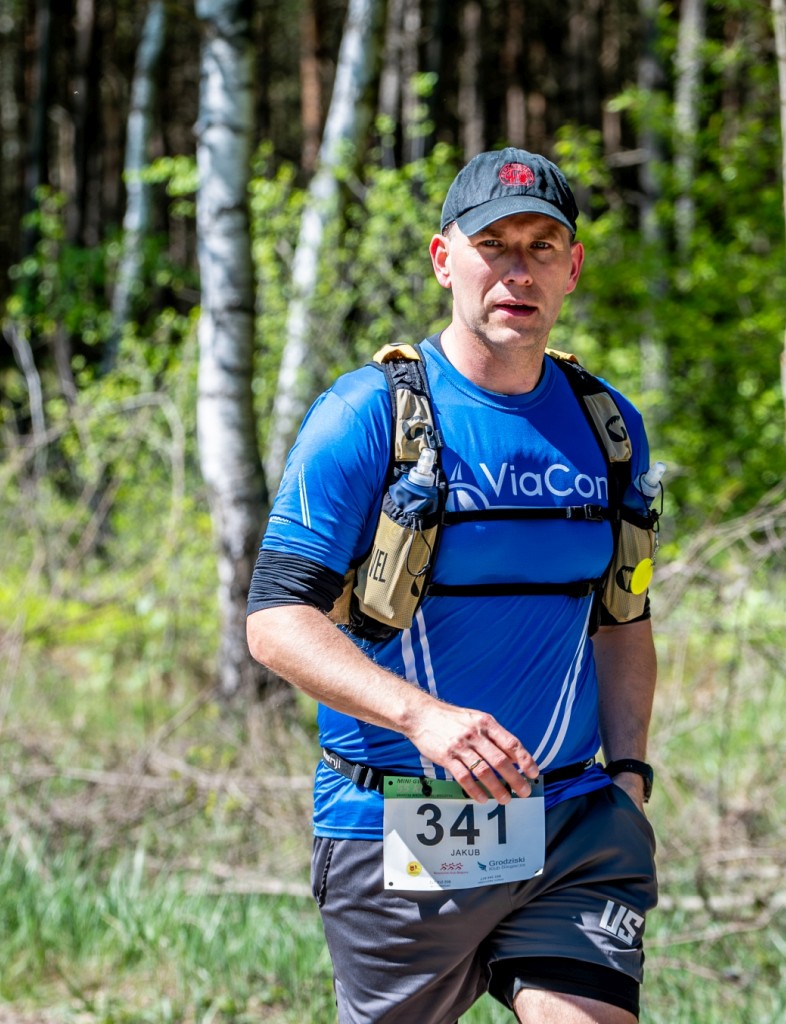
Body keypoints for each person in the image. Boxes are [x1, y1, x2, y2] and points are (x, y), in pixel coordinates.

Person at [246, 147, 660, 1024]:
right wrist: (422, 719)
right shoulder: (367, 415)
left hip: (570, 819)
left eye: (543, 247)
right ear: (444, 260)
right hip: (405, 819)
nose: (519, 271)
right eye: (493, 245)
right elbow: (276, 621)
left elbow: (624, 619)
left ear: (574, 267)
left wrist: (628, 777)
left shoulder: (609, 426)